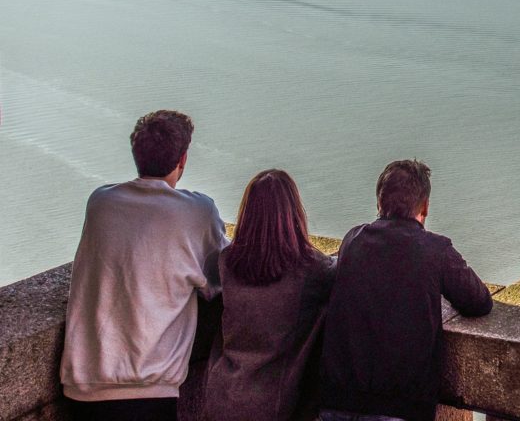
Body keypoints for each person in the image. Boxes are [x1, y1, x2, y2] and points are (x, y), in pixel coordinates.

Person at [60, 110, 229, 421]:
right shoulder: (197, 212)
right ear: (183, 160)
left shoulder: (100, 202)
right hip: (150, 390)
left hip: (82, 389)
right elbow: (220, 281)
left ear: (136, 154)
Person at [319, 159, 493, 421]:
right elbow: (479, 301)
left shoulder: (352, 241)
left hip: (337, 403)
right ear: (425, 206)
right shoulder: (434, 250)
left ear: (379, 203)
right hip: (399, 408)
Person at [202, 169, 335, 421]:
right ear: (293, 213)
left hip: (220, 397)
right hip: (273, 405)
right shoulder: (313, 270)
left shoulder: (226, 262)